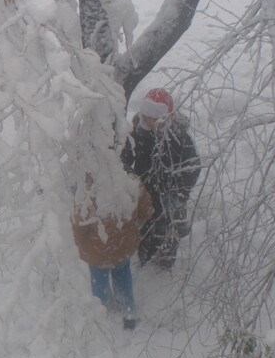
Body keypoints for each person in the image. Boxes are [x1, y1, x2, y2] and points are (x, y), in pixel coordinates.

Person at [121, 88, 201, 269]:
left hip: (171, 193)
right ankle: (144, 258)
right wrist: (131, 179)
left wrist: (180, 192)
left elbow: (193, 166)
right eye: (148, 117)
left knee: (170, 229)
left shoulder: (179, 137)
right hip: (146, 192)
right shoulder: (137, 133)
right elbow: (125, 158)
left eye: (157, 118)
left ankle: (165, 263)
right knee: (146, 227)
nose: (152, 122)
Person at [71, 176, 154, 330]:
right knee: (123, 275)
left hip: (97, 253)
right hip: (122, 247)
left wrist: (79, 243)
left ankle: (101, 312)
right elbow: (146, 210)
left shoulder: (85, 193)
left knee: (98, 281)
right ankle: (128, 311)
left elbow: (78, 226)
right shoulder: (129, 182)